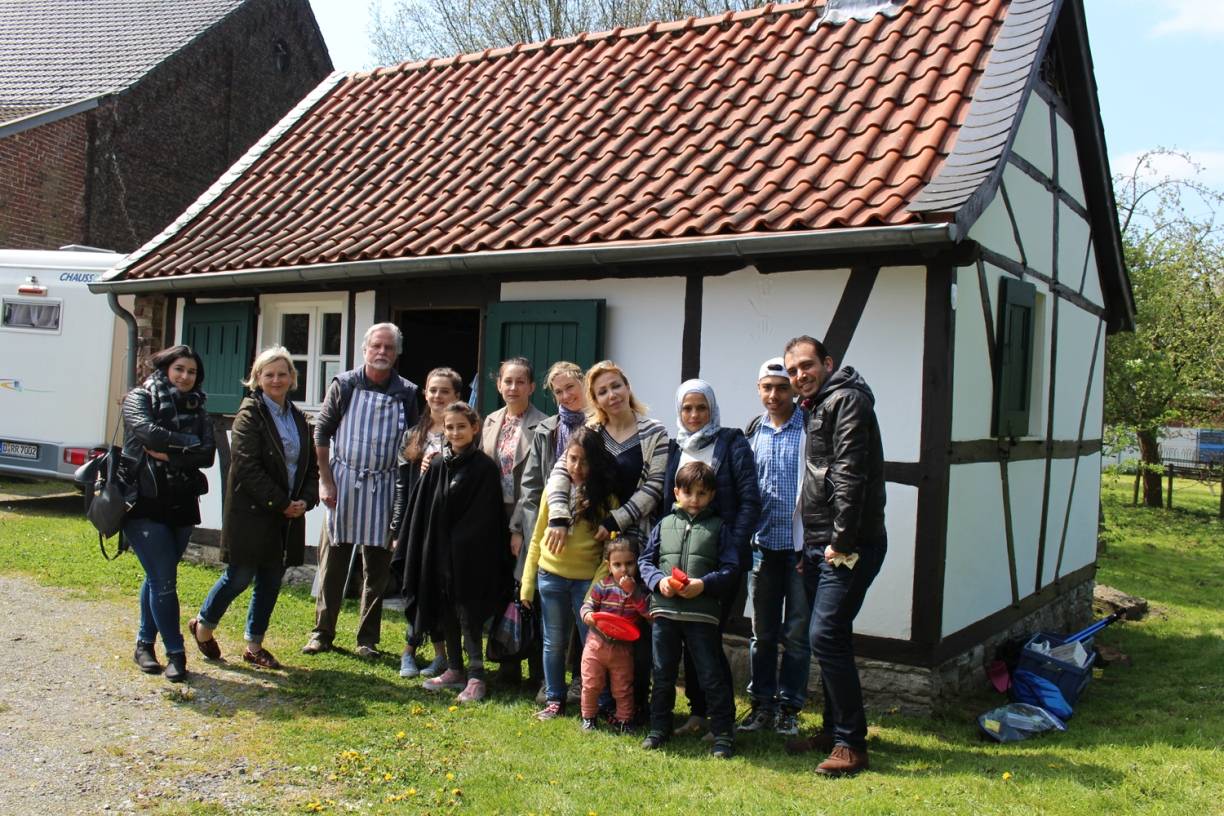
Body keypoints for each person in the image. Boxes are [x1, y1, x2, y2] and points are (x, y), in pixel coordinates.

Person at [783, 335, 887, 777]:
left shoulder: (846, 401)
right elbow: (817, 483)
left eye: (807, 365)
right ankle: (832, 730)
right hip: (821, 544)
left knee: (826, 635)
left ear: (828, 362)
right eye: (792, 371)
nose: (799, 376)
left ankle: (851, 745)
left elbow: (849, 473)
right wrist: (811, 544)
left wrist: (841, 542)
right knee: (825, 635)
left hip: (849, 544)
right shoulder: (818, 405)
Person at [542, 360, 669, 719]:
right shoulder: (591, 430)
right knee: (599, 621)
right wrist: (559, 517)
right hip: (592, 543)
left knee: (637, 620)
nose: (611, 395)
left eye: (616, 386)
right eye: (602, 391)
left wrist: (618, 519)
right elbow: (561, 472)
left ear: (627, 386)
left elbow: (655, 487)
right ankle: (601, 700)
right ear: (595, 399)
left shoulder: (653, 432)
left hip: (637, 540)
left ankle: (636, 705)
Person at [190, 347, 319, 669]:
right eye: (269, 374)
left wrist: (306, 499)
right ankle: (203, 625)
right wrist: (281, 502)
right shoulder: (250, 414)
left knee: (271, 580)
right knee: (239, 576)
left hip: (287, 516)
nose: (276, 379)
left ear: (292, 378)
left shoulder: (300, 419)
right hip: (253, 513)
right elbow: (247, 467)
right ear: (257, 379)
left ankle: (254, 645)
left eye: (282, 373)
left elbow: (310, 467)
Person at [303, 323, 419, 658]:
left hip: (385, 484)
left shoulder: (407, 392)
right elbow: (322, 432)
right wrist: (325, 479)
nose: (382, 353)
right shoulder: (346, 384)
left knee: (377, 570)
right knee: (333, 562)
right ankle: (322, 632)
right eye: (376, 347)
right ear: (365, 350)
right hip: (344, 480)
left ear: (397, 354)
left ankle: (367, 639)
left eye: (389, 348)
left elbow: (411, 442)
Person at [660, 379, 760, 738]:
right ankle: (698, 713)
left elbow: (750, 501)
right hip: (682, 561)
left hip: (720, 562)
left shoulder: (732, 442)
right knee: (687, 635)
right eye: (687, 408)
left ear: (712, 409)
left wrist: (730, 546)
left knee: (709, 636)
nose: (694, 415)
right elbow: (664, 505)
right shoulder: (674, 448)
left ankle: (721, 716)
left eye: (701, 407)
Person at [399, 402, 513, 703]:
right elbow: (425, 509)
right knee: (445, 611)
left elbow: (485, 517)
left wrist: (458, 545)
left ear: (474, 428)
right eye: (450, 427)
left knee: (468, 615)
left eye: (462, 426)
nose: (455, 432)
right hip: (439, 555)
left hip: (470, 559)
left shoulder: (484, 468)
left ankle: (476, 676)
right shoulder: (438, 464)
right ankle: (454, 669)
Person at [121, 344, 216, 682]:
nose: (185, 377)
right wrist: (186, 441)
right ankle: (176, 654)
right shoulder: (139, 397)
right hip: (144, 502)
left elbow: (207, 455)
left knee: (156, 576)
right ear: (165, 368)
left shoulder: (200, 407)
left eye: (191, 372)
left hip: (182, 501)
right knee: (164, 581)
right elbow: (147, 433)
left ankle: (144, 645)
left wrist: (171, 453)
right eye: (179, 369)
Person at [638, 461, 738, 758]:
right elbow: (645, 562)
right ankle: (659, 728)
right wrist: (658, 582)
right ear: (676, 492)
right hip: (665, 612)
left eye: (702, 493)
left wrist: (703, 585)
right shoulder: (663, 525)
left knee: (710, 674)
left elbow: (731, 568)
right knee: (663, 672)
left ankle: (722, 733)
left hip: (701, 615)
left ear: (712, 495)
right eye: (688, 492)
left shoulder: (719, 528)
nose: (694, 499)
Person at [520, 428, 617, 720]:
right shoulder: (554, 490)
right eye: (572, 459)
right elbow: (537, 538)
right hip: (550, 576)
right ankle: (554, 699)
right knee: (553, 642)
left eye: (584, 461)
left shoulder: (606, 499)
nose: (577, 467)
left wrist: (594, 590)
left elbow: (609, 553)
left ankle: (600, 700)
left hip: (587, 582)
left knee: (593, 643)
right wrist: (527, 584)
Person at [740, 357, 812, 738]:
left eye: (781, 387)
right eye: (767, 387)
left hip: (799, 551)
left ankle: (790, 709)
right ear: (758, 390)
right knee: (762, 634)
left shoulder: (811, 428)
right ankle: (761, 705)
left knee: (798, 635)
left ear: (794, 390)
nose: (774, 395)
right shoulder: (754, 431)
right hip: (763, 549)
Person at [513, 360, 588, 702]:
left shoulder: (599, 425)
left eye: (570, 387)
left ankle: (580, 680)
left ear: (583, 384)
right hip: (550, 530)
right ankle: (550, 681)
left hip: (587, 532)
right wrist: (527, 530)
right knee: (552, 615)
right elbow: (529, 487)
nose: (565, 395)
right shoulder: (546, 430)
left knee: (584, 613)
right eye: (558, 391)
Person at [389, 367, 464, 679]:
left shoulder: (461, 432)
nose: (437, 396)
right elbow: (401, 486)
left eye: (444, 391)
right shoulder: (412, 435)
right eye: (432, 390)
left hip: (447, 526)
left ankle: (440, 655)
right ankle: (409, 651)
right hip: (416, 524)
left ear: (456, 396)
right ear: (425, 393)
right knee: (413, 587)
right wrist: (397, 528)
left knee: (440, 590)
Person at [480, 356, 548, 686]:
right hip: (493, 518)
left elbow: (538, 483)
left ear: (532, 387)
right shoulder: (490, 421)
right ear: (498, 384)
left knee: (527, 591)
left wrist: (518, 527)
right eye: (508, 381)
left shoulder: (544, 425)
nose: (513, 387)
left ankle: (536, 670)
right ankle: (506, 664)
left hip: (526, 519)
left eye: (521, 381)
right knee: (499, 589)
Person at [578, 535, 648, 731]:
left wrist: (633, 592)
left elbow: (647, 614)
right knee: (591, 683)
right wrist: (589, 615)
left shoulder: (640, 590)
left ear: (637, 563)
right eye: (617, 564)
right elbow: (586, 606)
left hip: (623, 648)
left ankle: (624, 720)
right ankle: (588, 717)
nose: (624, 569)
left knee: (623, 687)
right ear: (609, 566)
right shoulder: (602, 586)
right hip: (597, 643)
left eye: (629, 563)